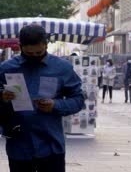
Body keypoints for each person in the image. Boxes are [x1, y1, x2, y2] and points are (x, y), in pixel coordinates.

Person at [0, 24, 85, 172]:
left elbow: (78, 99)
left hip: (51, 145)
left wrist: (56, 105)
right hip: (19, 146)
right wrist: (2, 97)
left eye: (39, 53)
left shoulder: (62, 68)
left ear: (46, 45)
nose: (34, 57)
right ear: (21, 47)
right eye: (29, 54)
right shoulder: (7, 68)